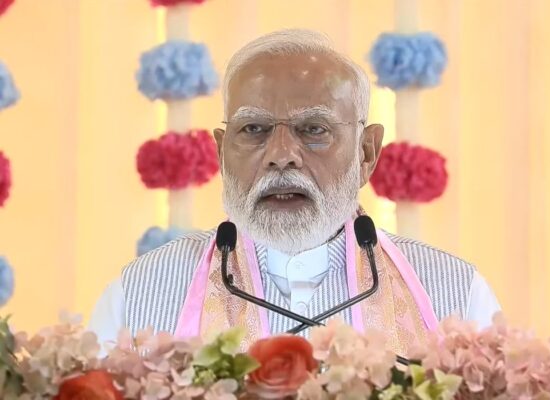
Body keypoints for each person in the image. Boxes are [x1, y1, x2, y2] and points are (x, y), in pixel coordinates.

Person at [89, 29, 500, 355]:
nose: (281, 155)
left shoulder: (455, 297)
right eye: (254, 129)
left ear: (366, 152)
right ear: (221, 152)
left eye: (313, 129)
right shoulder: (141, 294)